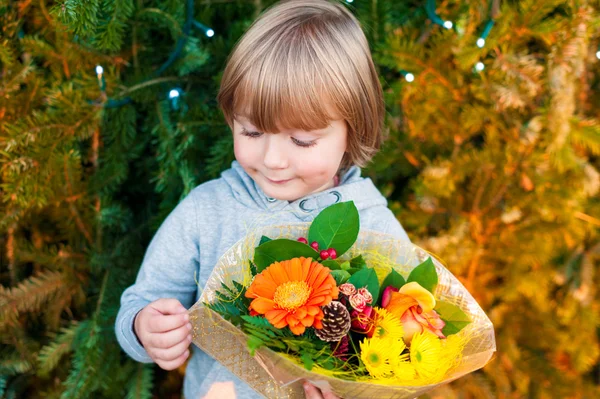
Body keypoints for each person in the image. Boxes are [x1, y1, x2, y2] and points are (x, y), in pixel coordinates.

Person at [115, 0, 411, 398]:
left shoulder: (375, 228)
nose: (273, 160)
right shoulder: (208, 211)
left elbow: (406, 347)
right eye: (251, 132)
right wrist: (144, 327)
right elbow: (145, 299)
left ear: (353, 130)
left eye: (302, 140)